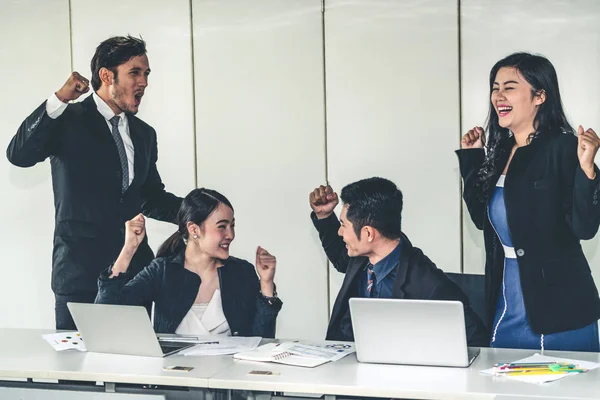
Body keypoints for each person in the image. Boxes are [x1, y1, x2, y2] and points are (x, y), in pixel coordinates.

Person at [6, 36, 182, 330]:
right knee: (76, 373)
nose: (144, 83)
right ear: (106, 76)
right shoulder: (66, 119)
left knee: (133, 371)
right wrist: (59, 99)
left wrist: (199, 213)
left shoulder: (144, 134)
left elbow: (150, 197)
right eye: (135, 73)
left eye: (146, 74)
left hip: (135, 274)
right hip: (78, 274)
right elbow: (19, 154)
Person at [457, 52, 600, 351]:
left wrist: (588, 170)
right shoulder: (500, 150)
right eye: (495, 87)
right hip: (505, 298)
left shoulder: (563, 147)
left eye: (509, 87)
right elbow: (480, 219)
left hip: (560, 307)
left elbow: (585, 227)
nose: (498, 95)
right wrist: (472, 159)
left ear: (539, 96)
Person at [309, 177, 488, 346]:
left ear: (368, 233)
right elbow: (342, 258)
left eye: (343, 225)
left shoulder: (429, 284)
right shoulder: (362, 259)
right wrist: (324, 216)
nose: (340, 233)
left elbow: (476, 342)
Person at [95, 188, 282, 337]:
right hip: (175, 382)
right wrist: (128, 250)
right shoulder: (163, 271)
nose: (230, 235)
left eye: (232, 225)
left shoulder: (241, 272)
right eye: (222, 226)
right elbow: (106, 315)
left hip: (227, 381)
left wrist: (266, 284)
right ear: (194, 229)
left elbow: (262, 342)